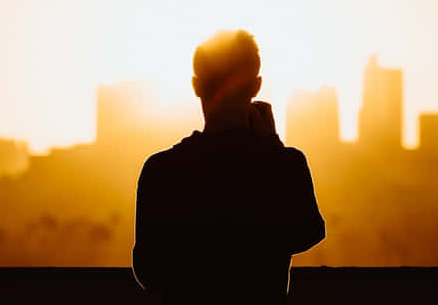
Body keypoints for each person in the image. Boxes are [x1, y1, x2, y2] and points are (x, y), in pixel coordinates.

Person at [132, 30, 326, 304]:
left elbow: (148, 270)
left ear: (196, 85)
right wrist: (272, 147)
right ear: (256, 86)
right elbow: (309, 230)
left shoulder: (161, 170)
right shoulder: (285, 164)